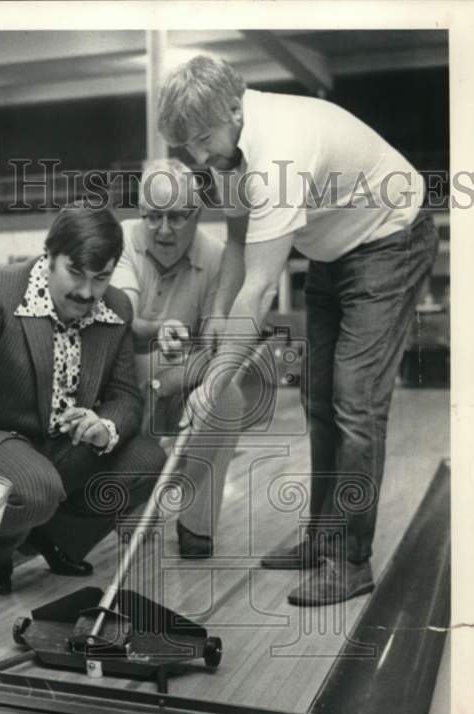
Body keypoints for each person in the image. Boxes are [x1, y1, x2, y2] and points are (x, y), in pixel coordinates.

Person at [157, 55, 438, 605]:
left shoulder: (279, 149)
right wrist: (217, 318)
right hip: (333, 250)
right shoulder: (225, 148)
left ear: (234, 108)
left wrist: (213, 385)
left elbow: (261, 291)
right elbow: (238, 244)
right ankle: (322, 537)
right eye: (185, 145)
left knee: (354, 400)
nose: (196, 156)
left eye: (200, 140)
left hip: (391, 240)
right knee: (317, 395)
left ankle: (351, 562)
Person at [0, 204, 166, 595]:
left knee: (148, 460)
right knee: (36, 487)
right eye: (75, 273)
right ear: (49, 256)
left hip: (56, 449)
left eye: (101, 278)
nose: (86, 291)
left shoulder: (115, 308)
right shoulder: (0, 291)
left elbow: (126, 397)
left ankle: (57, 537)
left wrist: (104, 426)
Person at [112, 159, 244, 558]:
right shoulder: (120, 240)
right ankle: (132, 499)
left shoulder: (219, 257)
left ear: (198, 213)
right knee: (129, 529)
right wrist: (159, 330)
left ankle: (195, 524)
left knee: (228, 397)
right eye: (153, 217)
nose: (165, 229)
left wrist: (168, 380)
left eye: (177, 217)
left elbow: (214, 349)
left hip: (183, 380)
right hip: (122, 383)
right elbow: (126, 321)